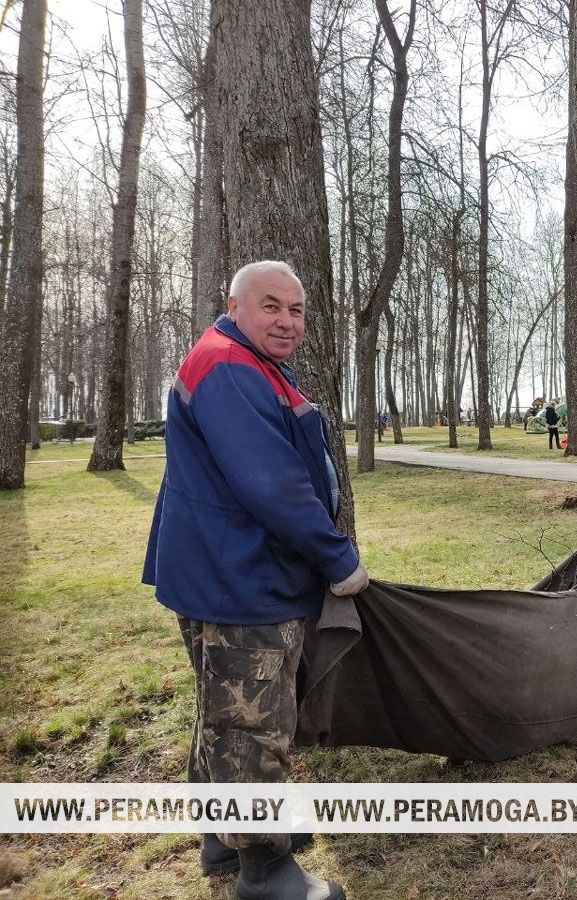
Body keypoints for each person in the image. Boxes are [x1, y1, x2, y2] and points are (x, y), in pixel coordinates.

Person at [143, 260, 365, 900]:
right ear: (234, 305)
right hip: (241, 577)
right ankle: (265, 869)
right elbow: (272, 483)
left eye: (297, 310)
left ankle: (225, 836)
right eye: (271, 306)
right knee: (250, 723)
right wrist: (337, 558)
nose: (288, 321)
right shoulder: (228, 367)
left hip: (229, 570)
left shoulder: (249, 364)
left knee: (223, 711)